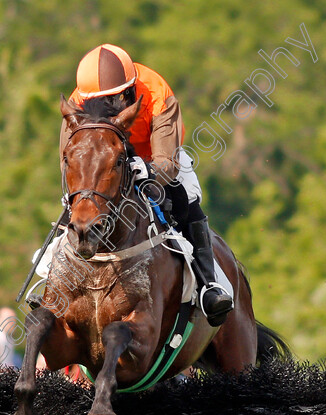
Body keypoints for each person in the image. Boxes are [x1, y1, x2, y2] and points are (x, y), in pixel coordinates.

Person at [53, 44, 233, 326]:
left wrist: (146, 171)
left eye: (111, 100)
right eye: (96, 103)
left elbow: (168, 161)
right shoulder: (78, 100)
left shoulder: (157, 93)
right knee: (73, 207)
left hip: (152, 156)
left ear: (129, 91)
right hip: (103, 165)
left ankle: (209, 283)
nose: (102, 108)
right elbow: (70, 156)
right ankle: (49, 282)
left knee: (186, 199)